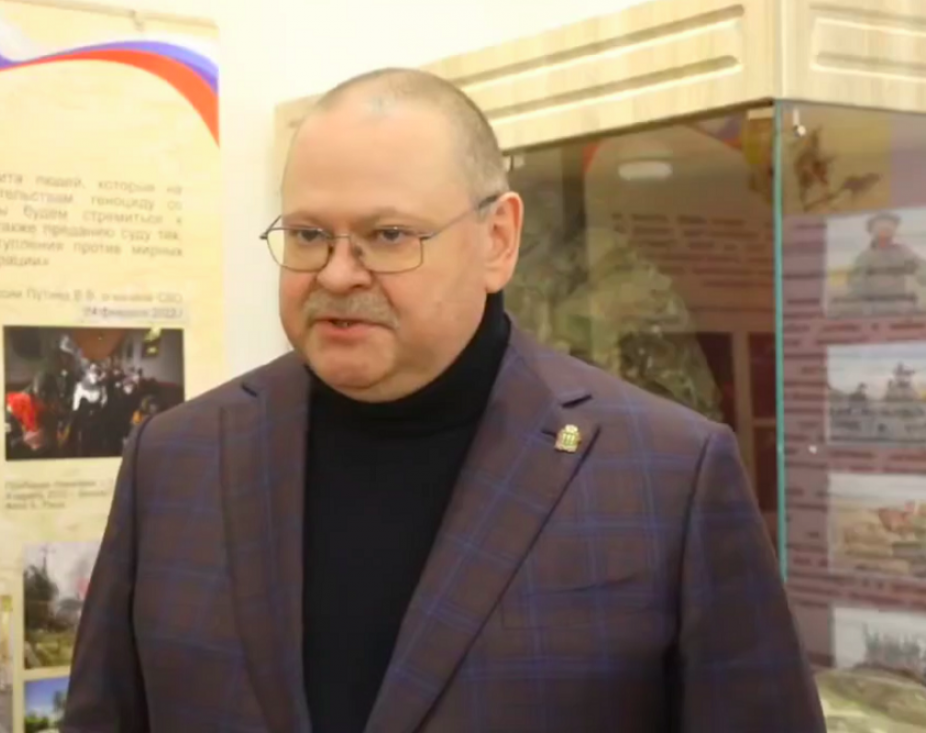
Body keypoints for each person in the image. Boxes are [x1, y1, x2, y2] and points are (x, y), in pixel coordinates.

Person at [63, 68, 824, 732]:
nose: (337, 273)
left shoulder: (668, 476)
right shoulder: (176, 459)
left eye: (389, 235)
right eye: (308, 234)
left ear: (498, 240)